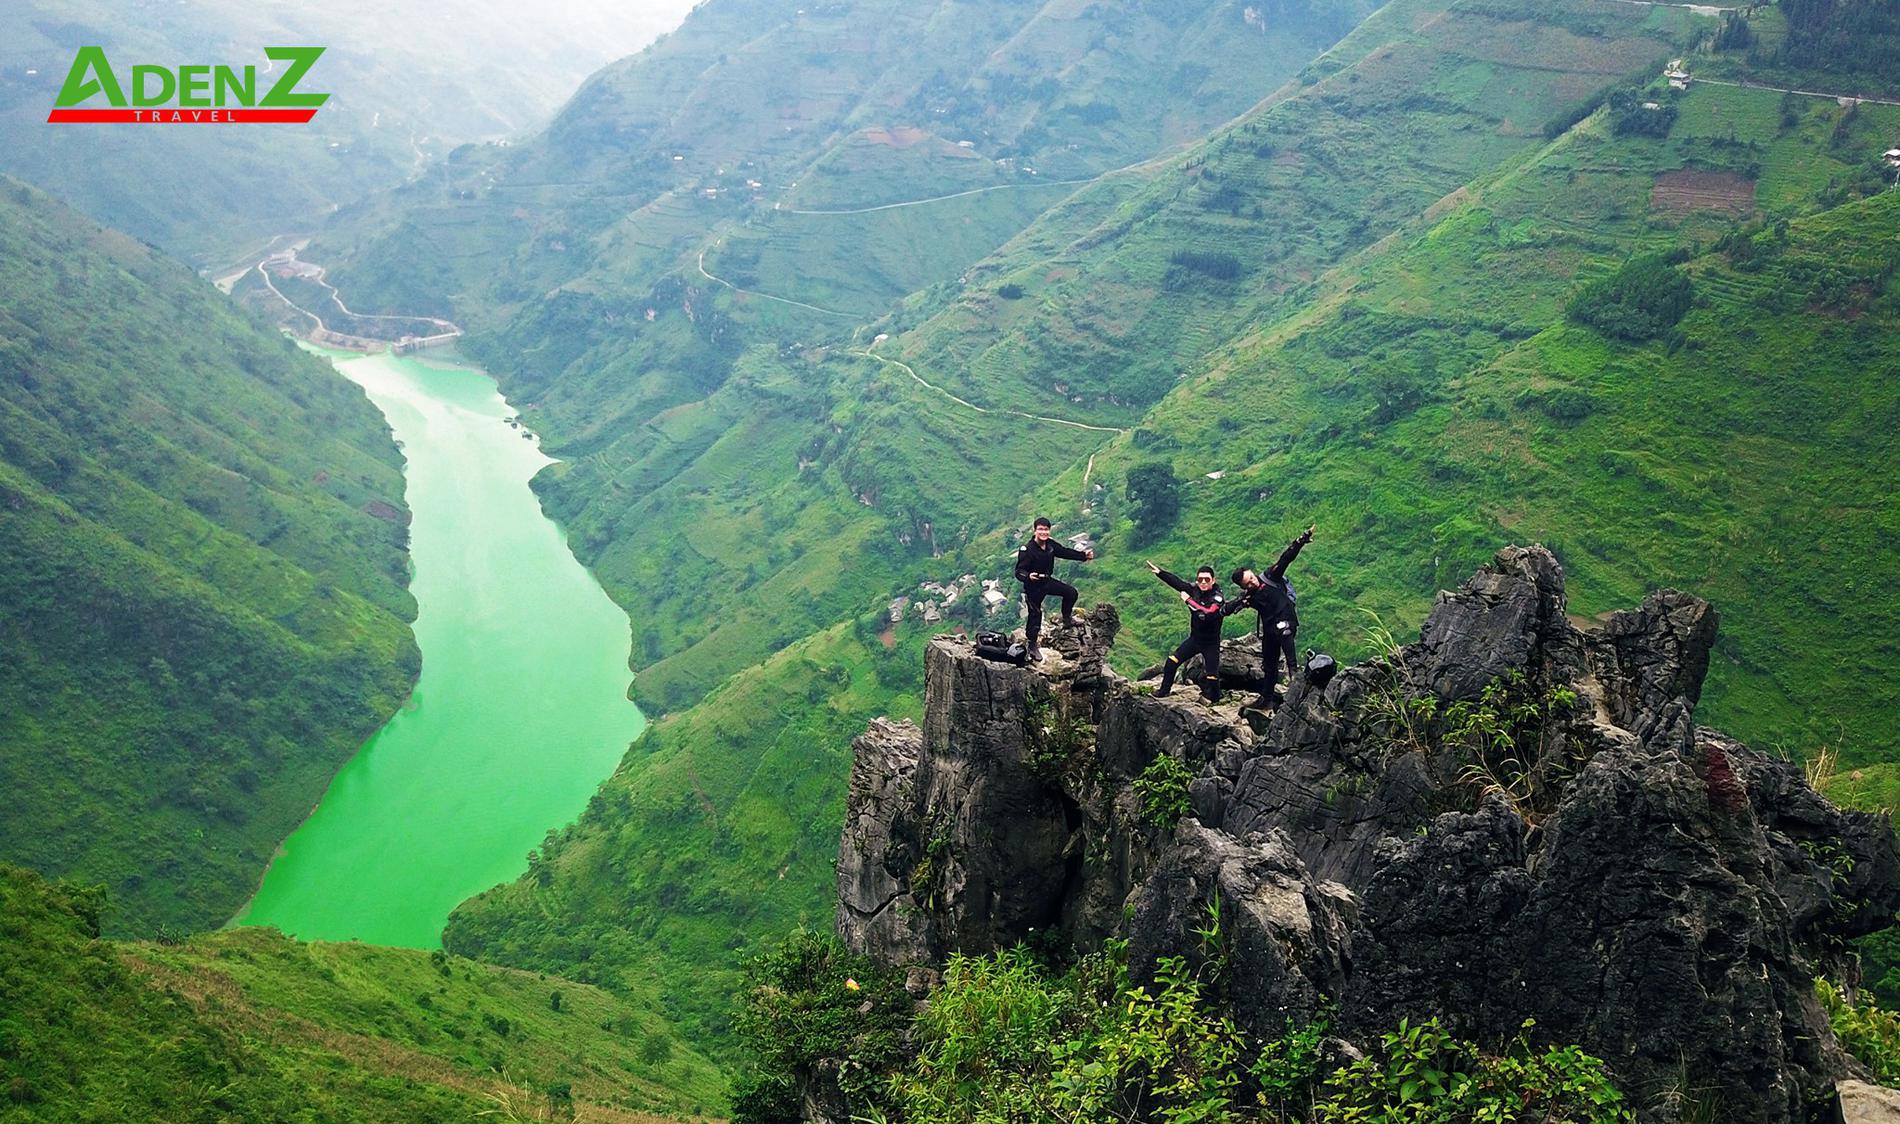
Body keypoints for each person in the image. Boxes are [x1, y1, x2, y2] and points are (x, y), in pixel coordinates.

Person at [1228, 524, 1314, 707]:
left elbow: (1285, 559)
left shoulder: (1270, 576)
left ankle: (1295, 677)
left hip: (1286, 620)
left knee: (1285, 632)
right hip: (1270, 629)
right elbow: (1231, 607)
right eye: (1247, 583)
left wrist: (1300, 542)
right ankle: (1266, 698)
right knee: (1269, 663)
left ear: (1252, 573)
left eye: (1251, 578)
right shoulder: (1248, 596)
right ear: (1243, 587)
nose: (1252, 582)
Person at [1014, 517, 1094, 661]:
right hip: (1033, 586)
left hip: (1046, 581)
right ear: (1035, 530)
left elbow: (1064, 552)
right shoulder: (1027, 549)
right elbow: (1019, 571)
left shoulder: (1050, 545)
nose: (1043, 532)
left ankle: (1067, 618)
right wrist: (1028, 576)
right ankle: (1032, 645)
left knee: (1070, 592)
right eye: (1040, 529)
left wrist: (1083, 556)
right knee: (1035, 614)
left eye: (1046, 529)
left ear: (1049, 531)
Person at [1147, 561, 1226, 702]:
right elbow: (1178, 584)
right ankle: (1163, 691)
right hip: (1195, 640)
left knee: (1212, 676)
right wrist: (1160, 573)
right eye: (1200, 579)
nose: (1203, 582)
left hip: (1211, 643)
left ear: (1213, 580)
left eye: (1207, 580)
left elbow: (1206, 614)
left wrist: (1188, 601)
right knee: (1171, 662)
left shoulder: (1217, 597)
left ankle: (1215, 700)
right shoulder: (1195, 590)